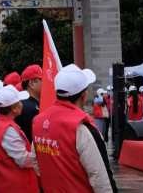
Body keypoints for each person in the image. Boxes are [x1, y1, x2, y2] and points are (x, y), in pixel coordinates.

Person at [32, 64, 116, 193]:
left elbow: (35, 162)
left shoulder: (38, 122)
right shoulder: (81, 127)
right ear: (84, 95)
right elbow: (100, 178)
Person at [0, 85, 38, 193]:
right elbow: (23, 160)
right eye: (20, 102)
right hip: (16, 186)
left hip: (6, 183)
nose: (22, 104)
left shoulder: (0, 124)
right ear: (14, 108)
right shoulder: (8, 130)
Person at [15, 64, 42, 142]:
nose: (46, 83)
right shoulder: (31, 108)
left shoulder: (21, 104)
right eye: (42, 80)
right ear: (32, 83)